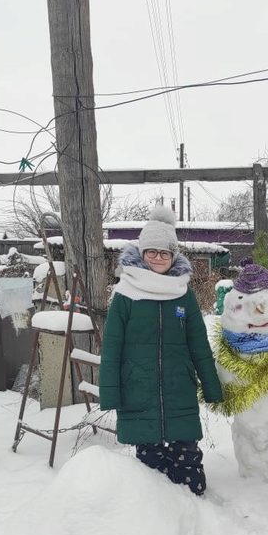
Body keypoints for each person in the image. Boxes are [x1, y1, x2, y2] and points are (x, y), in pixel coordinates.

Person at [99, 205, 223, 496]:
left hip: (179, 386)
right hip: (138, 390)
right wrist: (110, 393)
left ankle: (195, 523)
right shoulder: (125, 294)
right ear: (142, 253)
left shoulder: (183, 293)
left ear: (173, 256)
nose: (157, 258)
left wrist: (212, 386)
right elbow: (112, 348)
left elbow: (198, 343)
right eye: (151, 252)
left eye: (164, 253)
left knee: (192, 482)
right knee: (149, 479)